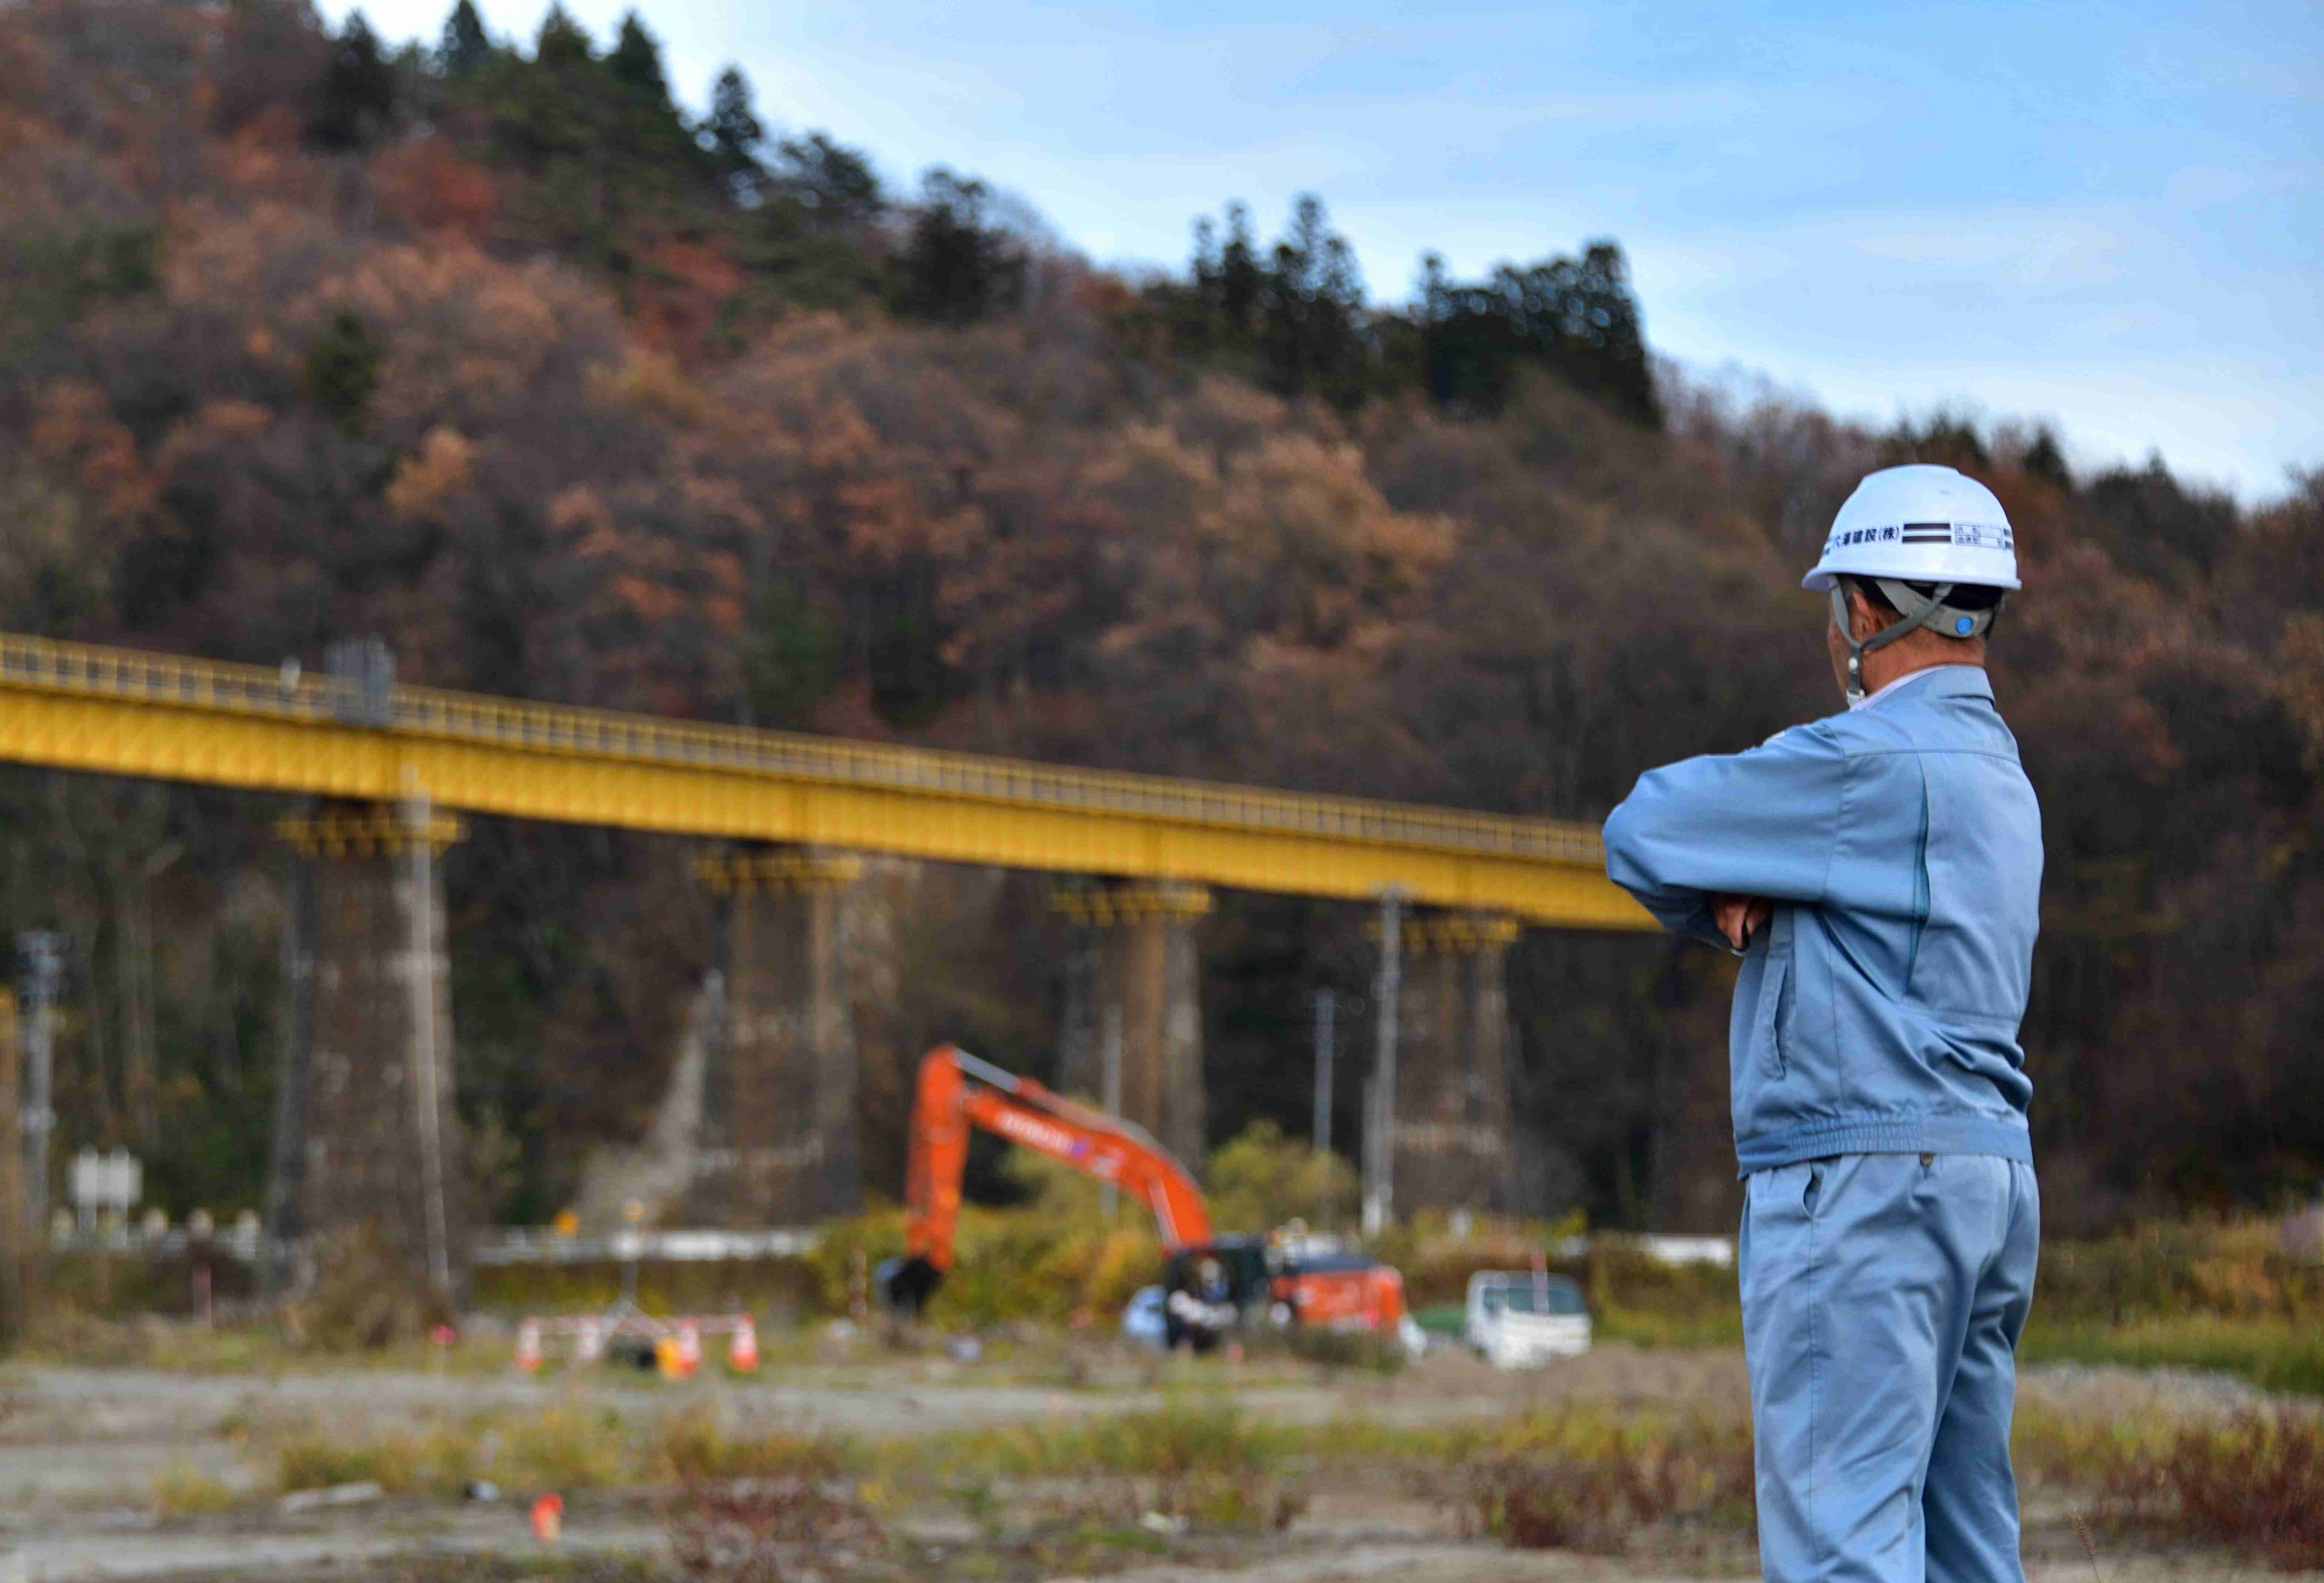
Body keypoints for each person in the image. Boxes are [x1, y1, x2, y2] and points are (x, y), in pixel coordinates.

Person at [1601, 464, 2043, 1583]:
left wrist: (1718, 892)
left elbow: (1642, 826)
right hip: (1986, 1184)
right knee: (1964, 1546)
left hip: (1862, 1187)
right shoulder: (2002, 774)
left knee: (1843, 1546)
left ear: (1859, 609)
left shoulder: (1857, 762)